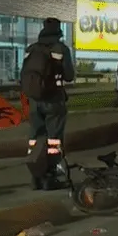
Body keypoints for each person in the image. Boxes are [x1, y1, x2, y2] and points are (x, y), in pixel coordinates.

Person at [21, 17, 75, 190]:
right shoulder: (61, 49)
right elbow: (69, 76)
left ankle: (36, 176)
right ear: (58, 31)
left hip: (34, 101)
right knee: (54, 141)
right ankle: (51, 176)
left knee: (34, 139)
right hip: (53, 101)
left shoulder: (31, 49)